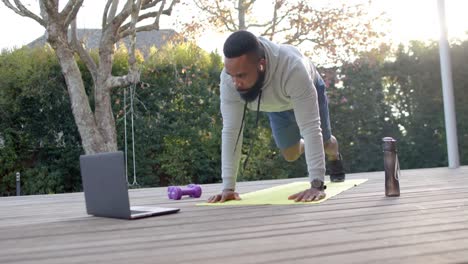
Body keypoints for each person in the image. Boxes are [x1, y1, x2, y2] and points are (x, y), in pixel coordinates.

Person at [207, 30, 345, 203]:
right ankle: (303, 145)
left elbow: (310, 127)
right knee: (290, 154)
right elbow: (231, 131)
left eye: (241, 75)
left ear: (261, 65)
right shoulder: (229, 81)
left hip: (306, 89)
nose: (235, 83)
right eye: (231, 75)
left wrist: (316, 185)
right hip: (276, 102)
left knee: (325, 142)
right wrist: (228, 188)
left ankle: (334, 153)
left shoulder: (293, 68)